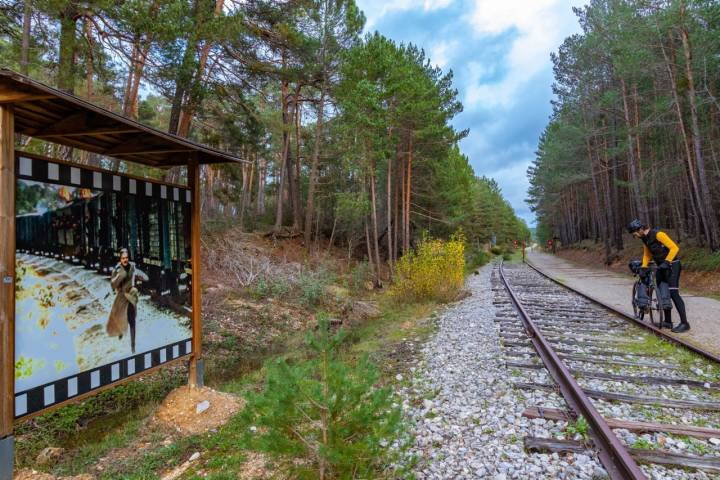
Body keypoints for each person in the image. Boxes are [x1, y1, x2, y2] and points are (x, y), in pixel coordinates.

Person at [627, 219, 689, 333]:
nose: (634, 235)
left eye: (634, 233)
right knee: (662, 291)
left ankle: (685, 323)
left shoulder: (658, 234)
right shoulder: (645, 239)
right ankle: (668, 321)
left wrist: (667, 261)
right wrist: (644, 267)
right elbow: (647, 254)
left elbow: (674, 248)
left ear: (640, 229)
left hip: (672, 265)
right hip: (661, 266)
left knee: (674, 293)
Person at [107, 248, 149, 353]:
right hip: (121, 297)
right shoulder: (117, 269)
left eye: (126, 258)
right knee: (118, 317)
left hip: (130, 296)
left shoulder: (132, 267)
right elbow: (112, 284)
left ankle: (133, 346)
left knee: (132, 321)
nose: (125, 260)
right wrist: (119, 276)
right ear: (120, 259)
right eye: (123, 258)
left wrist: (143, 277)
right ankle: (120, 332)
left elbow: (142, 275)